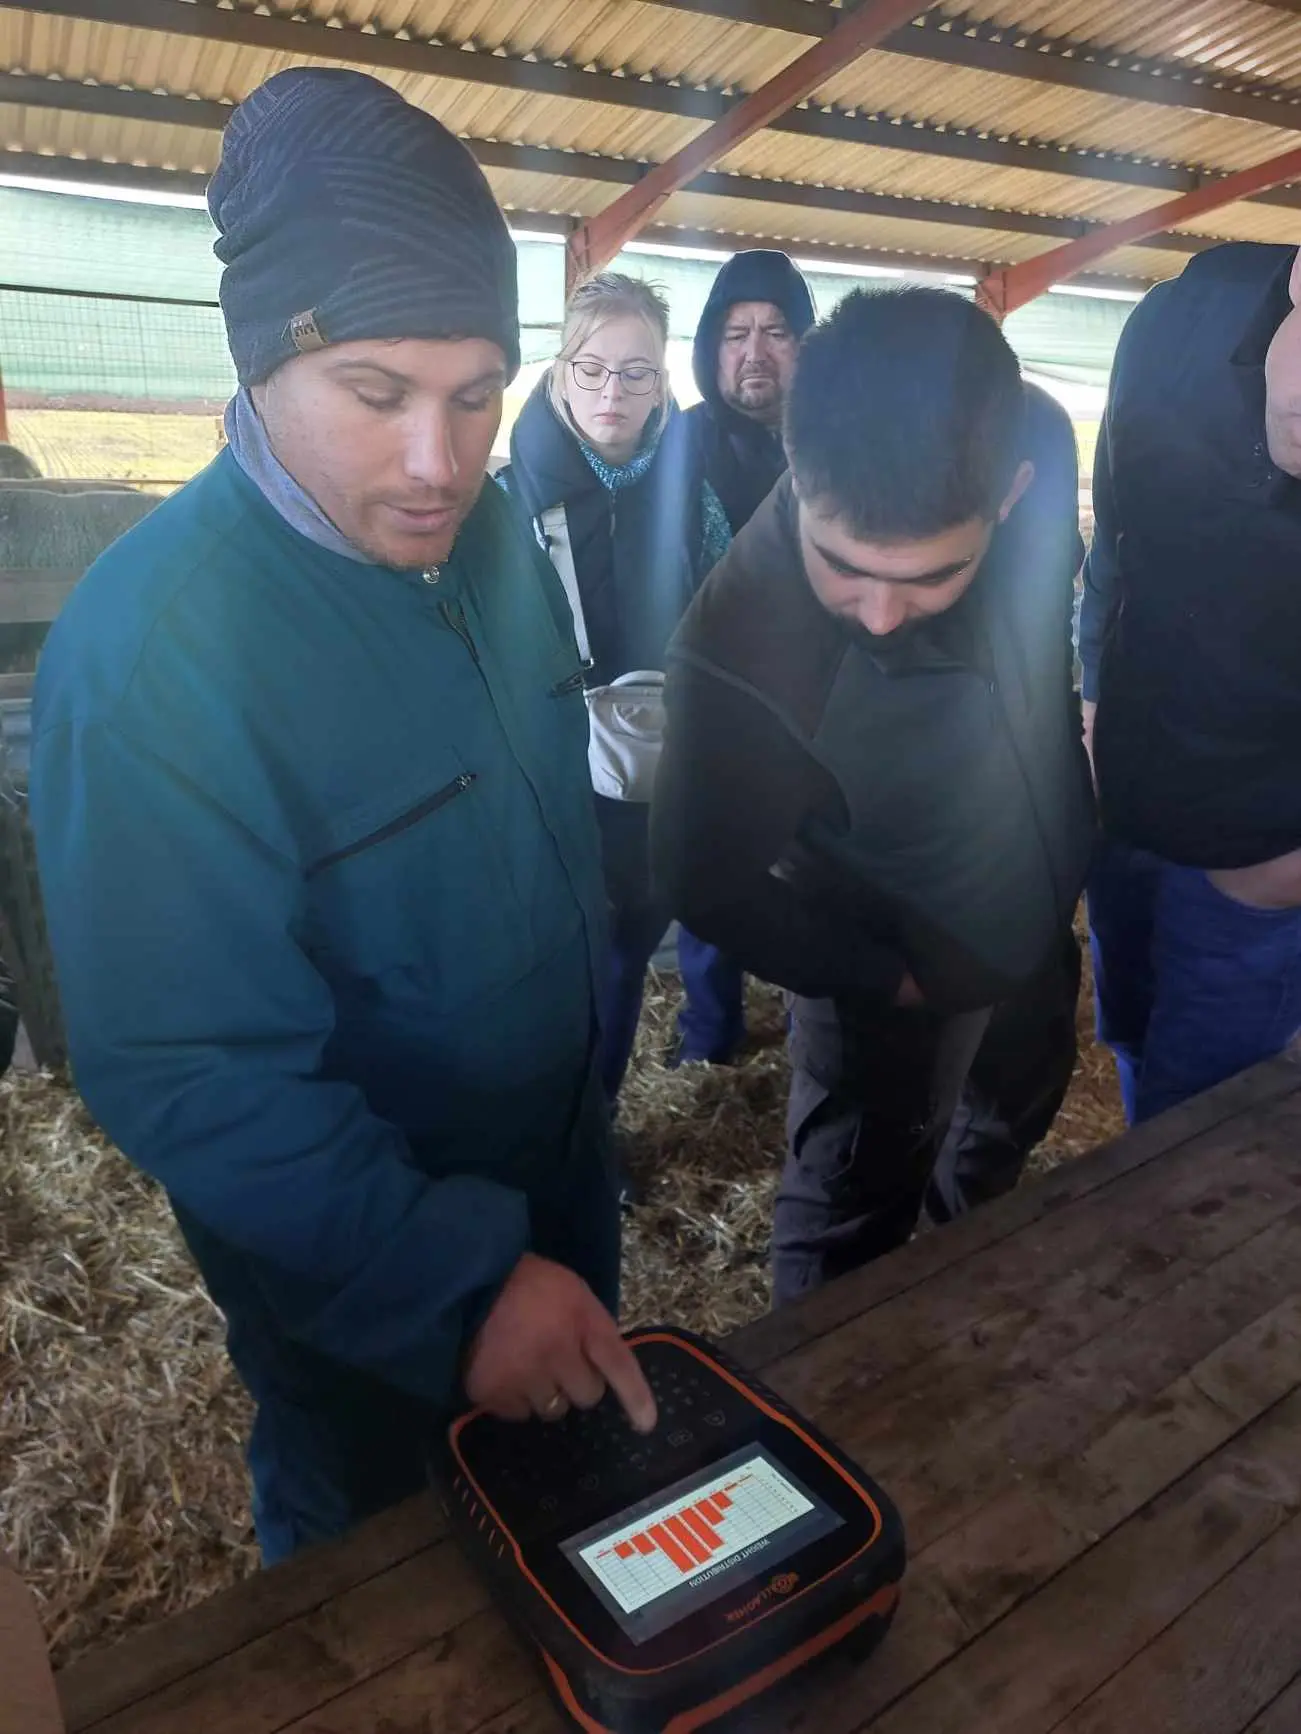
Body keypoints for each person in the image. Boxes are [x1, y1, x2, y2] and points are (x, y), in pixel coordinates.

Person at [29, 67, 655, 1565]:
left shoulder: (487, 540)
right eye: (377, 395)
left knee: (559, 1536)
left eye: (476, 394)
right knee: (373, 1569)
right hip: (363, 1272)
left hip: (553, 1177)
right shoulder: (154, 654)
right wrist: (452, 1284)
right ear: (259, 365)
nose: (438, 461)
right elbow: (187, 1058)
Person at [653, 287, 1095, 1303]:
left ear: (1012, 493)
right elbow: (696, 879)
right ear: (796, 467)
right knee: (850, 1206)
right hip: (899, 961)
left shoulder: (1030, 437)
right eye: (843, 568)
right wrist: (880, 979)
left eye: (932, 576)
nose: (883, 616)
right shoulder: (731, 655)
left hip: (1030, 910)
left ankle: (954, 1273)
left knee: (1011, 1111)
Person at [499, 273, 740, 1099]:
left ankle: (593, 1120)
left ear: (661, 382)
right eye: (592, 368)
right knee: (541, 958)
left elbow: (725, 621)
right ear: (560, 372)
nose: (613, 391)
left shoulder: (692, 502)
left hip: (652, 770)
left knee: (624, 946)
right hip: (542, 776)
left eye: (636, 372)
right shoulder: (505, 504)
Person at [1080, 241, 1301, 1125]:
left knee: (1199, 1108)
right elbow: (1114, 546)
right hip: (1131, 791)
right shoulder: (1174, 319)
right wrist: (1092, 701)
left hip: (1263, 847)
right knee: (1129, 1030)